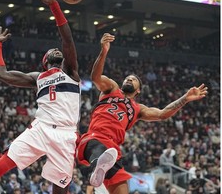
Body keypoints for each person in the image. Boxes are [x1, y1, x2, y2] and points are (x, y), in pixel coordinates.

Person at [0, 0, 80, 194]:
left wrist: (54, 4)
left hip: (65, 134)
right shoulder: (38, 78)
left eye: (57, 49)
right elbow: (3, 74)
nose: (56, 49)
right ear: (45, 62)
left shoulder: (70, 71)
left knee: (61, 189)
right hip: (41, 128)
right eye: (51, 50)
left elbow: (67, 39)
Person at [76, 33, 208, 193]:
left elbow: (162, 114)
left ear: (138, 90)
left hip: (113, 150)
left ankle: (99, 168)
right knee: (100, 153)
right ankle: (96, 167)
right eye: (127, 78)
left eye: (133, 79)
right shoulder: (112, 88)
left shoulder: (138, 109)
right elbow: (95, 77)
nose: (129, 79)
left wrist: (185, 98)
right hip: (95, 138)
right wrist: (103, 51)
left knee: (122, 188)